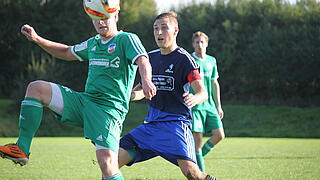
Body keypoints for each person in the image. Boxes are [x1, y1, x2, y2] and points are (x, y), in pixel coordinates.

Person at [0, 5, 156, 180]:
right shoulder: (93, 43)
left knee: (107, 165)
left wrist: (146, 80)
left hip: (108, 110)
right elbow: (67, 51)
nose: (100, 22)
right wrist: (37, 39)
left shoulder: (126, 39)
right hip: (84, 102)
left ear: (116, 15)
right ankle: (21, 148)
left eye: (105, 16)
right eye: (96, 17)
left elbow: (143, 61)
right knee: (36, 88)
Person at [117, 12, 217, 180]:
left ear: (175, 31)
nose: (159, 33)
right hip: (151, 126)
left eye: (164, 28)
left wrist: (195, 98)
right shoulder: (149, 58)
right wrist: (128, 95)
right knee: (110, 161)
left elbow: (203, 92)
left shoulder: (185, 60)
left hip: (175, 125)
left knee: (192, 174)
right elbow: (142, 89)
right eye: (155, 29)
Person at [190, 31, 225, 172]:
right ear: (193, 44)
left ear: (207, 44)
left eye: (202, 42)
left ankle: (196, 160)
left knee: (219, 135)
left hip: (209, 106)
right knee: (197, 143)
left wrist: (218, 105)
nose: (199, 45)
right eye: (197, 42)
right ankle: (202, 174)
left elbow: (214, 83)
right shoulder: (190, 60)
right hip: (196, 107)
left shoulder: (212, 61)